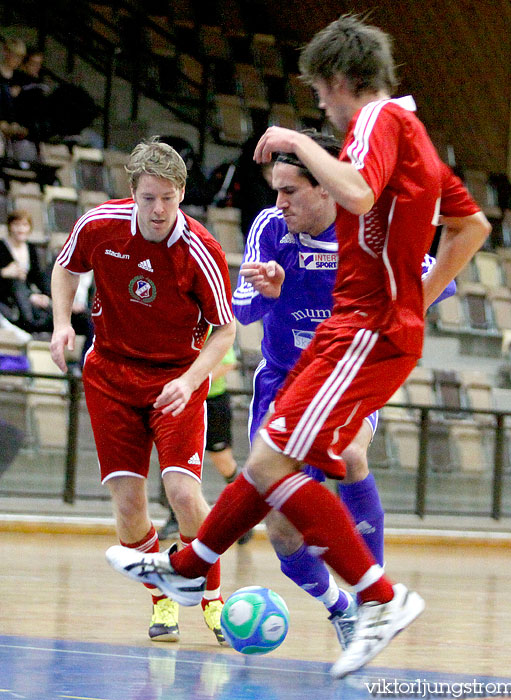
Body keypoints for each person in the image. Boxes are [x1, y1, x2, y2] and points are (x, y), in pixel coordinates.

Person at [106, 16, 491, 677]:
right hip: (360, 330)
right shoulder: (417, 138)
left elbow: (358, 190)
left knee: (287, 462)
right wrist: (410, 302)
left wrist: (293, 140)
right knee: (264, 465)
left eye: (319, 94)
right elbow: (472, 226)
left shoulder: (375, 123)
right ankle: (189, 568)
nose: (320, 107)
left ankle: (376, 598)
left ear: (341, 81)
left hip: (361, 331)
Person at [232, 128, 457, 649]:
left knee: (351, 451)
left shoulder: (371, 232)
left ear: (327, 189)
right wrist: (268, 294)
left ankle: (373, 601)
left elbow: (444, 277)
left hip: (346, 375)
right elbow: (242, 311)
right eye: (276, 189)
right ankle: (339, 608)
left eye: (290, 190)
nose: (279, 201)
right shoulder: (270, 228)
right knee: (283, 532)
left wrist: (396, 311)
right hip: (283, 381)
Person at [50, 136, 236, 645]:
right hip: (109, 374)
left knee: (182, 493)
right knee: (129, 505)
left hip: (176, 379)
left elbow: (225, 329)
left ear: (181, 195)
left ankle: (212, 597)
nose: (159, 210)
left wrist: (191, 380)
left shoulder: (202, 250)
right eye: (149, 197)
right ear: (132, 192)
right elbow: (65, 267)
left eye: (169, 199)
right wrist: (61, 322)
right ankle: (164, 601)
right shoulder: (99, 225)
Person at [158, 337, 253, 544]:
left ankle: (242, 516)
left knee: (223, 461)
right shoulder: (180, 325)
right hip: (184, 402)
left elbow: (228, 362)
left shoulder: (216, 326)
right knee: (177, 461)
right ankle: (176, 518)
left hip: (213, 401)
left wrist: (195, 380)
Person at [0, 211, 92, 355]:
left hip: (27, 297)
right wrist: (4, 273)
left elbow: (38, 279)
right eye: (16, 225)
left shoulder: (31, 249)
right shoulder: (1, 247)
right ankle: (32, 325)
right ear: (10, 227)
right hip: (7, 297)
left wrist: (42, 296)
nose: (20, 229)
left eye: (24, 225)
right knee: (16, 282)